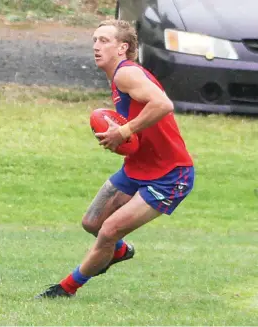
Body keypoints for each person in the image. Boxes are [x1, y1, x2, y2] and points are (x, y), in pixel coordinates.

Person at [35, 19, 194, 299]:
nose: (96, 46)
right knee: (92, 224)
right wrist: (123, 135)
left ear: (123, 48)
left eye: (104, 41)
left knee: (108, 230)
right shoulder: (117, 78)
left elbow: (163, 104)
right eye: (94, 40)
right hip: (138, 167)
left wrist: (123, 131)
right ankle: (120, 251)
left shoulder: (126, 74)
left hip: (170, 175)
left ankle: (65, 289)